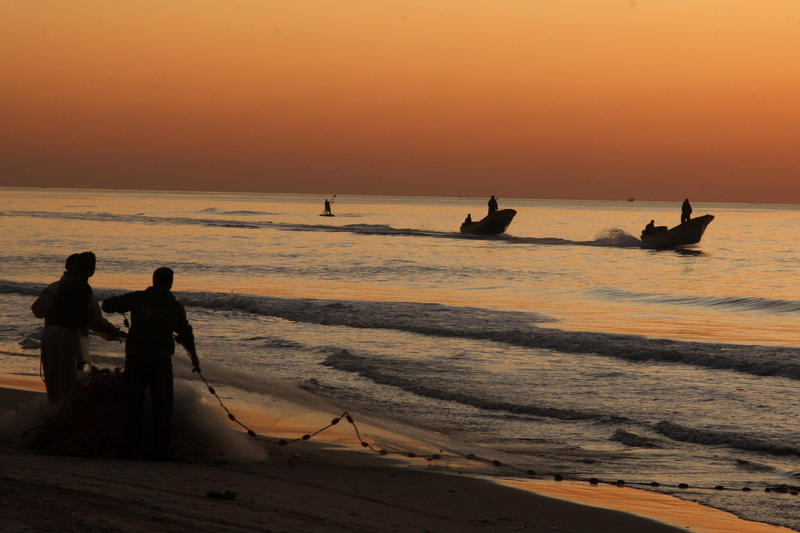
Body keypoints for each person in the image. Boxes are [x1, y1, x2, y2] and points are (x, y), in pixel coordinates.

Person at [101, 267, 199, 460]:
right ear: (170, 283)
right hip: (160, 359)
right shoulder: (175, 307)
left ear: (153, 280)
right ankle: (160, 450)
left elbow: (107, 305)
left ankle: (128, 448)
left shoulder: (138, 298)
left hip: (136, 356)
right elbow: (186, 333)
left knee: (133, 402)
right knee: (162, 405)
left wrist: (124, 306)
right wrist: (194, 357)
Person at [31, 252, 125, 402]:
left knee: (53, 381)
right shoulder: (83, 288)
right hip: (69, 337)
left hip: (50, 334)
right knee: (70, 382)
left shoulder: (55, 287)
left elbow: (37, 310)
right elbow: (95, 321)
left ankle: (53, 413)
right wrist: (114, 332)